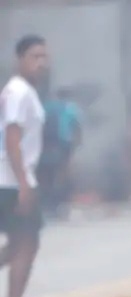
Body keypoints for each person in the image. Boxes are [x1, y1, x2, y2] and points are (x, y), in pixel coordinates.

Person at [0, 35, 49, 297]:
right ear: (20, 59)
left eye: (44, 57)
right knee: (26, 245)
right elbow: (12, 138)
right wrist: (23, 183)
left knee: (19, 244)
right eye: (34, 56)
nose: (41, 63)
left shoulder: (20, 91)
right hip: (12, 179)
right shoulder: (19, 92)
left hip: (11, 178)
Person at [38, 87, 83, 218]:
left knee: (45, 174)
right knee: (63, 174)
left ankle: (46, 204)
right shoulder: (71, 108)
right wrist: (77, 145)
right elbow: (77, 127)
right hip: (64, 144)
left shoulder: (46, 107)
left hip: (45, 144)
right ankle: (59, 204)